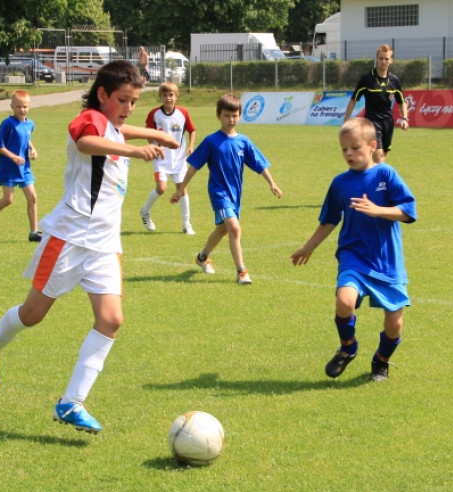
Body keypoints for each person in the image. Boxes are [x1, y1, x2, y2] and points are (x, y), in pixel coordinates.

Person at [0, 60, 178, 435]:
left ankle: (71, 403)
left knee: (112, 319)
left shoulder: (112, 123)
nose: (128, 108)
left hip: (103, 241)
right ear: (102, 95)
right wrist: (137, 150)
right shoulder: (89, 119)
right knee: (33, 315)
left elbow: (116, 129)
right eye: (122, 100)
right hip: (70, 235)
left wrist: (154, 135)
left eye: (133, 101)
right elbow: (85, 138)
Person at [290, 117, 417, 382]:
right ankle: (348, 347)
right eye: (344, 149)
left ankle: (381, 361)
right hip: (353, 256)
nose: (349, 153)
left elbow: (408, 211)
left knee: (395, 324)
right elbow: (329, 220)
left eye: (355, 148)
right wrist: (308, 247)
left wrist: (378, 210)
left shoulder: (386, 174)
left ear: (372, 146)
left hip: (387, 260)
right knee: (344, 301)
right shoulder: (340, 183)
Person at [171, 93, 283, 285]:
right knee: (234, 228)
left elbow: (259, 163)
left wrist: (272, 183)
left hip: (235, 194)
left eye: (234, 115)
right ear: (218, 116)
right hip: (219, 193)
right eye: (226, 115)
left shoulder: (244, 141)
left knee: (222, 230)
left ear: (239, 116)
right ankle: (241, 271)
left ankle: (202, 257)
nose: (231, 119)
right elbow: (194, 166)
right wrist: (181, 188)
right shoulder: (211, 141)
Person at [0, 90, 42, 243]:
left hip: (24, 167)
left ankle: (33, 232)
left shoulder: (30, 124)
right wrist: (13, 156)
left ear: (30, 106)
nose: (22, 109)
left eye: (25, 106)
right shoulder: (8, 123)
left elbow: (26, 139)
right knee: (8, 200)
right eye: (18, 106)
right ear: (12, 106)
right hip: (9, 166)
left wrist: (33, 148)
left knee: (32, 197)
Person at [140, 81, 197, 235]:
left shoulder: (183, 113)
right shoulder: (154, 114)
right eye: (164, 95)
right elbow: (148, 132)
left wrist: (191, 146)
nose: (168, 98)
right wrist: (154, 146)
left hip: (179, 160)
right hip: (161, 159)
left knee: (182, 190)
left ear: (176, 96)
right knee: (161, 188)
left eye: (171, 95)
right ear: (160, 96)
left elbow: (192, 130)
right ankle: (145, 211)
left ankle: (186, 224)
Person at [343, 44, 407, 164]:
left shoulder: (394, 80)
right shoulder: (367, 79)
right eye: (381, 58)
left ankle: (373, 180)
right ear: (376, 59)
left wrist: (405, 118)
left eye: (386, 59)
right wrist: (346, 120)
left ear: (391, 60)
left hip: (388, 122)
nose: (383, 61)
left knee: (382, 157)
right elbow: (353, 100)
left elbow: (402, 102)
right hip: (372, 122)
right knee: (379, 158)